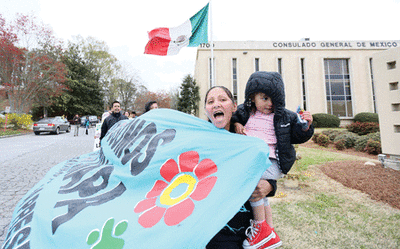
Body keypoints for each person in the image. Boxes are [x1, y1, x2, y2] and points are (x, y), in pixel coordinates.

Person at [232, 71, 314, 249]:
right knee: (263, 196)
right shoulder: (245, 112)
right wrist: (237, 123)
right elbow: (234, 117)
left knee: (253, 183)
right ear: (252, 97)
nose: (270, 104)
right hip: (256, 159)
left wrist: (306, 126)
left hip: (274, 162)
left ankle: (261, 228)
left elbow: (298, 135)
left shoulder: (285, 116)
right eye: (264, 98)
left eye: (274, 100)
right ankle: (269, 232)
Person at [204, 86, 277, 249]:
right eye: (210, 102)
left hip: (248, 232)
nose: (216, 104)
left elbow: (266, 168)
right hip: (213, 233)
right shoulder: (200, 143)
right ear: (206, 110)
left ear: (234, 106)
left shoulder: (248, 137)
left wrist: (270, 186)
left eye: (223, 99)